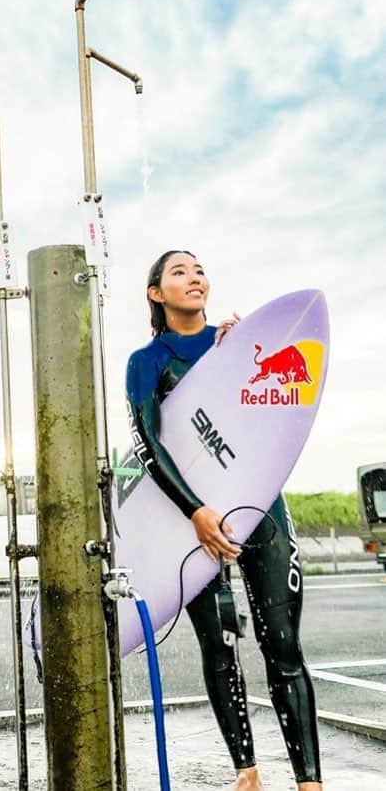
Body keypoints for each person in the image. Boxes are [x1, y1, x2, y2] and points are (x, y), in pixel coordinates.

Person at [125, 250, 323, 791]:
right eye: (179, 272)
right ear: (156, 293)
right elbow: (147, 444)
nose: (194, 278)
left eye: (199, 270)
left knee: (282, 643)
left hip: (261, 512)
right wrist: (196, 512)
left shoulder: (235, 345)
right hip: (190, 525)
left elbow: (275, 418)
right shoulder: (147, 361)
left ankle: (310, 783)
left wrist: (246, 357)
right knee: (221, 645)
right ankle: (248, 773)